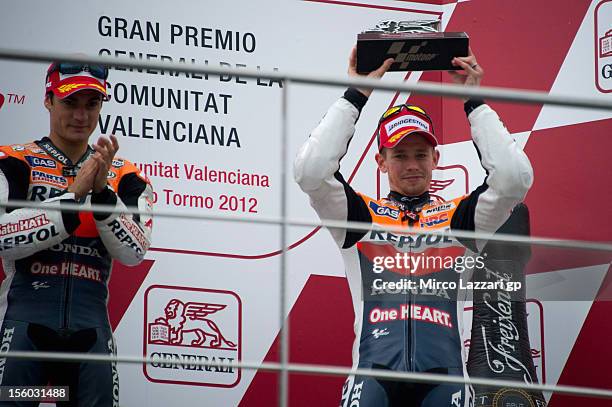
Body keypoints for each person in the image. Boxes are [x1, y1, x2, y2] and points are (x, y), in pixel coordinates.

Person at [294, 47, 533, 406]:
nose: (411, 165)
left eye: (420, 154)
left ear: (435, 159)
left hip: (446, 380)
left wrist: (474, 100)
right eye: (399, 155)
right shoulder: (359, 217)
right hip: (373, 377)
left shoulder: (460, 220)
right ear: (381, 162)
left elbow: (514, 179)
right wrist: (356, 93)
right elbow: (310, 171)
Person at [0, 62, 153, 406]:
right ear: (48, 100)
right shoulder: (13, 161)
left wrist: (101, 195)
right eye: (70, 103)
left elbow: (135, 250)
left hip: (91, 339)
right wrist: (72, 199)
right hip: (23, 333)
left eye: (92, 104)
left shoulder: (125, 175)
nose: (81, 115)